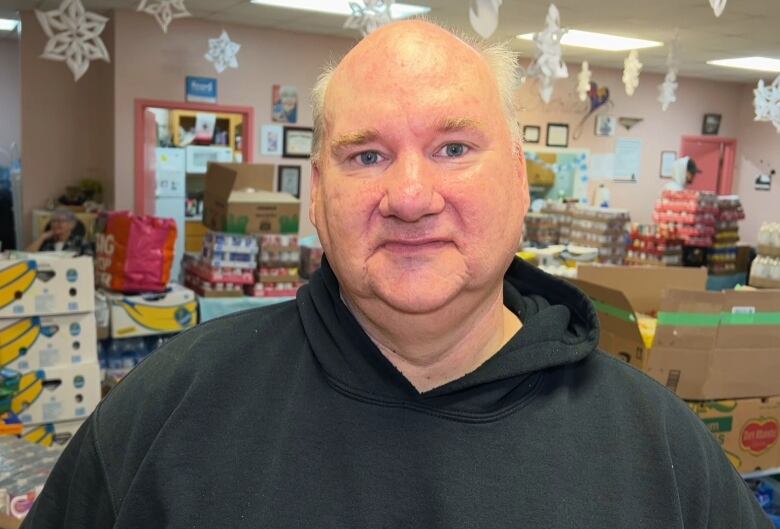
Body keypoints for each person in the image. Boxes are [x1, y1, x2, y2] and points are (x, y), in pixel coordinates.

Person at [22, 21, 769, 528]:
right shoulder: (169, 408)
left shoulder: (661, 450)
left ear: (519, 180)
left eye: (452, 148)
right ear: (318, 194)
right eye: (366, 155)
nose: (411, 197)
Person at [25, 208, 93, 256]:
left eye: (61, 221)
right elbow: (26, 257)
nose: (56, 224)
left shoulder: (81, 242)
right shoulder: (46, 242)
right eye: (54, 221)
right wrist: (42, 238)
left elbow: (89, 263)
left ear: (72, 225)